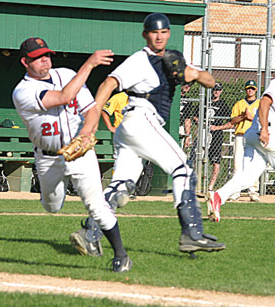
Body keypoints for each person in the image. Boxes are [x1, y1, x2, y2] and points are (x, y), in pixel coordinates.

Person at [91, 13, 226, 254]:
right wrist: (92, 120)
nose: (159, 36)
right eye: (154, 32)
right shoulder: (140, 60)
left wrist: (189, 72)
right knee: (183, 169)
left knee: (122, 183)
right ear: (146, 35)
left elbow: (209, 80)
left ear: (168, 34)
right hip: (141, 118)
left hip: (131, 128)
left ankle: (90, 233)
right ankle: (191, 233)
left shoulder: (170, 59)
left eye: (163, 32)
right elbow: (109, 83)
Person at [12, 37, 132, 272]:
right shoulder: (22, 91)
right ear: (25, 62)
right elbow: (65, 97)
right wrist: (89, 65)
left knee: (95, 206)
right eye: (38, 57)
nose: (45, 60)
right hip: (48, 158)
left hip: (80, 153)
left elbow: (92, 110)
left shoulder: (67, 74)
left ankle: (120, 255)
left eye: (47, 55)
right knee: (52, 207)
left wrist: (87, 132)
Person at [208, 56, 275, 224]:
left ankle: (218, 196)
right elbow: (264, 103)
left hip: (255, 134)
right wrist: (264, 129)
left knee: (248, 177)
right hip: (269, 132)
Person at [227, 80, 261, 202]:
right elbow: (232, 121)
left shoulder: (260, 103)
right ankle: (236, 192)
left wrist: (250, 117)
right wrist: (243, 116)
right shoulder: (239, 104)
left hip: (254, 137)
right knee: (237, 164)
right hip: (240, 135)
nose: (250, 90)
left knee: (253, 164)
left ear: (256, 90)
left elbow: (262, 120)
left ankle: (253, 192)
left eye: (252, 88)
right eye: (248, 88)